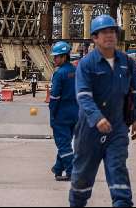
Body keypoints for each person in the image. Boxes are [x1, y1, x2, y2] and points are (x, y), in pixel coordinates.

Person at [70, 15, 136, 207]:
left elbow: (135, 91)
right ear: (95, 38)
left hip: (117, 128)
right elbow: (83, 95)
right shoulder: (86, 64)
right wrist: (97, 117)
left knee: (118, 172)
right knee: (81, 180)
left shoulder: (127, 62)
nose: (109, 35)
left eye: (112, 31)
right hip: (89, 131)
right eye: (104, 32)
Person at [49, 40, 79, 182]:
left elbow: (54, 96)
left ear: (64, 57)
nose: (54, 59)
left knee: (63, 144)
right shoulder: (75, 70)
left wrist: (52, 114)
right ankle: (58, 168)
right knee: (66, 142)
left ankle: (72, 171)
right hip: (76, 113)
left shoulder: (59, 74)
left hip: (61, 114)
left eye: (56, 56)